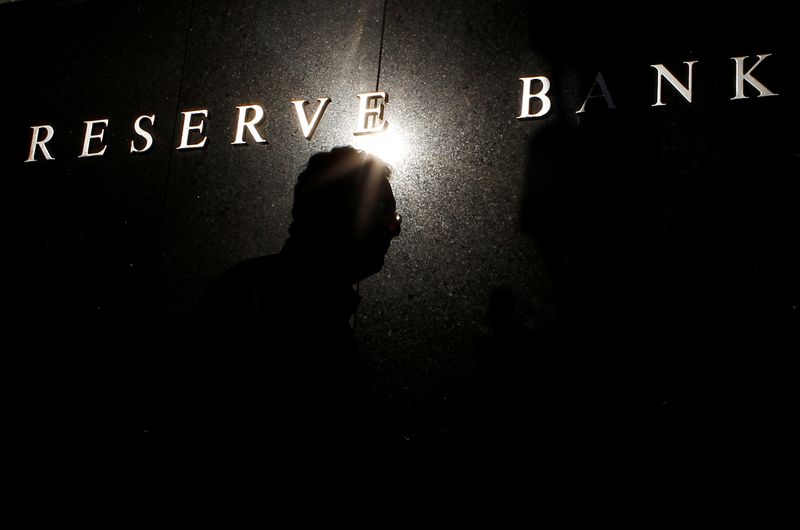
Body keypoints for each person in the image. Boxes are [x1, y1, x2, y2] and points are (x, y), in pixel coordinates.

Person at [183, 146, 401, 436]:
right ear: (323, 211)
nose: (393, 229)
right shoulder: (261, 298)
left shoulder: (284, 298)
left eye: (394, 216)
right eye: (379, 210)